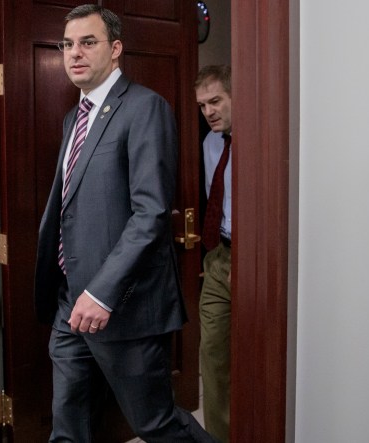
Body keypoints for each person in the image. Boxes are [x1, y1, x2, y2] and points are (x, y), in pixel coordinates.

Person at [34, 5, 215, 442]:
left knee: (156, 424)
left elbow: (150, 213)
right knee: (68, 426)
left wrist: (101, 291)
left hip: (122, 305)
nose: (74, 53)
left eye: (88, 42)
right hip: (68, 303)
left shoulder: (144, 107)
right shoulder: (71, 119)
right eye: (67, 44)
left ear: (115, 49)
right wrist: (73, 291)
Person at [194, 65, 233, 443]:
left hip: (253, 257)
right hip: (219, 255)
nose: (209, 111)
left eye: (216, 101)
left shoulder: (263, 142)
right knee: (212, 352)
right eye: (203, 105)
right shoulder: (210, 144)